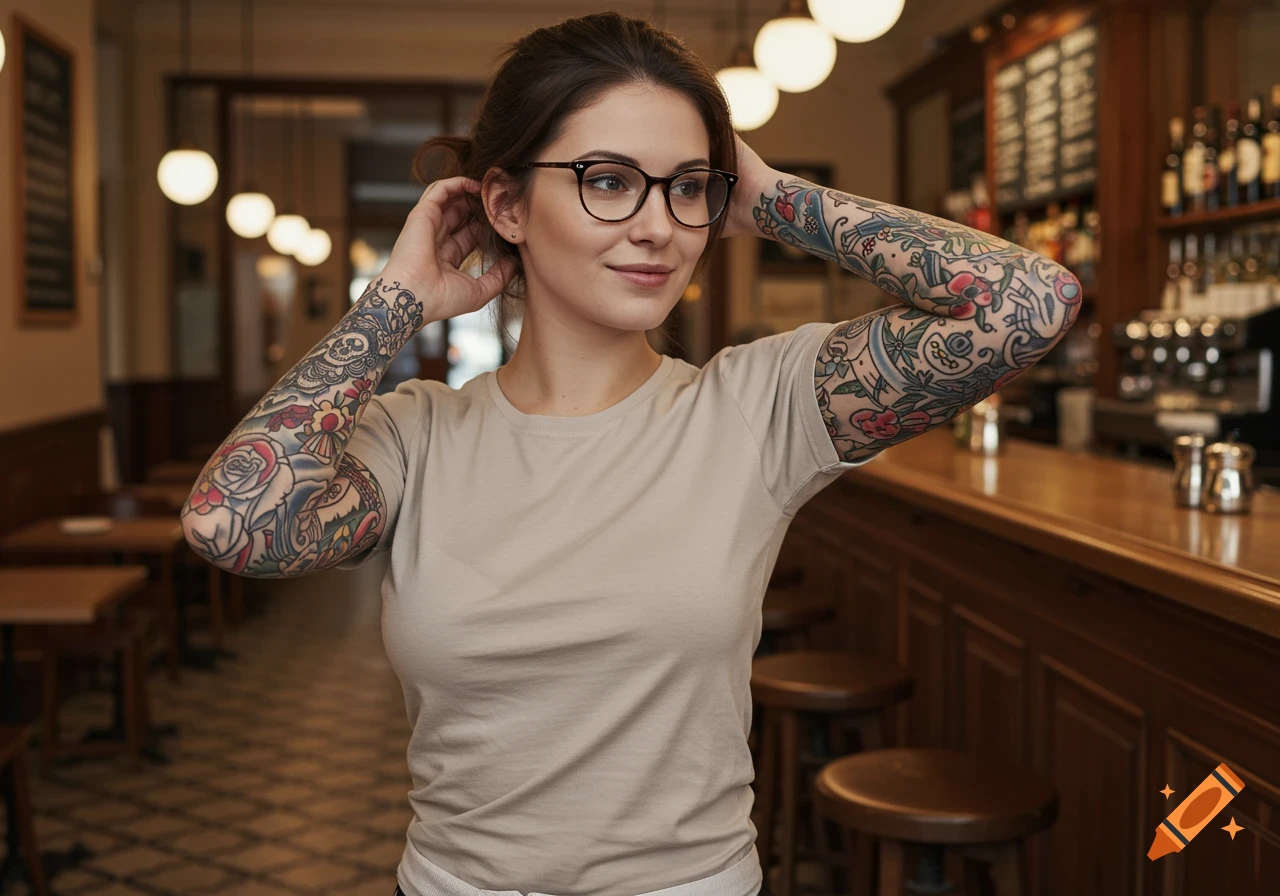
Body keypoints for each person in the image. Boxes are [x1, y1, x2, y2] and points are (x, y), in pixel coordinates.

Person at [180, 12, 1081, 896]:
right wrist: (396, 301)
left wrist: (770, 198)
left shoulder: (757, 408)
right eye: (608, 180)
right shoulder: (415, 436)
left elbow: (1027, 303)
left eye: (689, 186)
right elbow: (231, 525)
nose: (659, 225)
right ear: (506, 204)